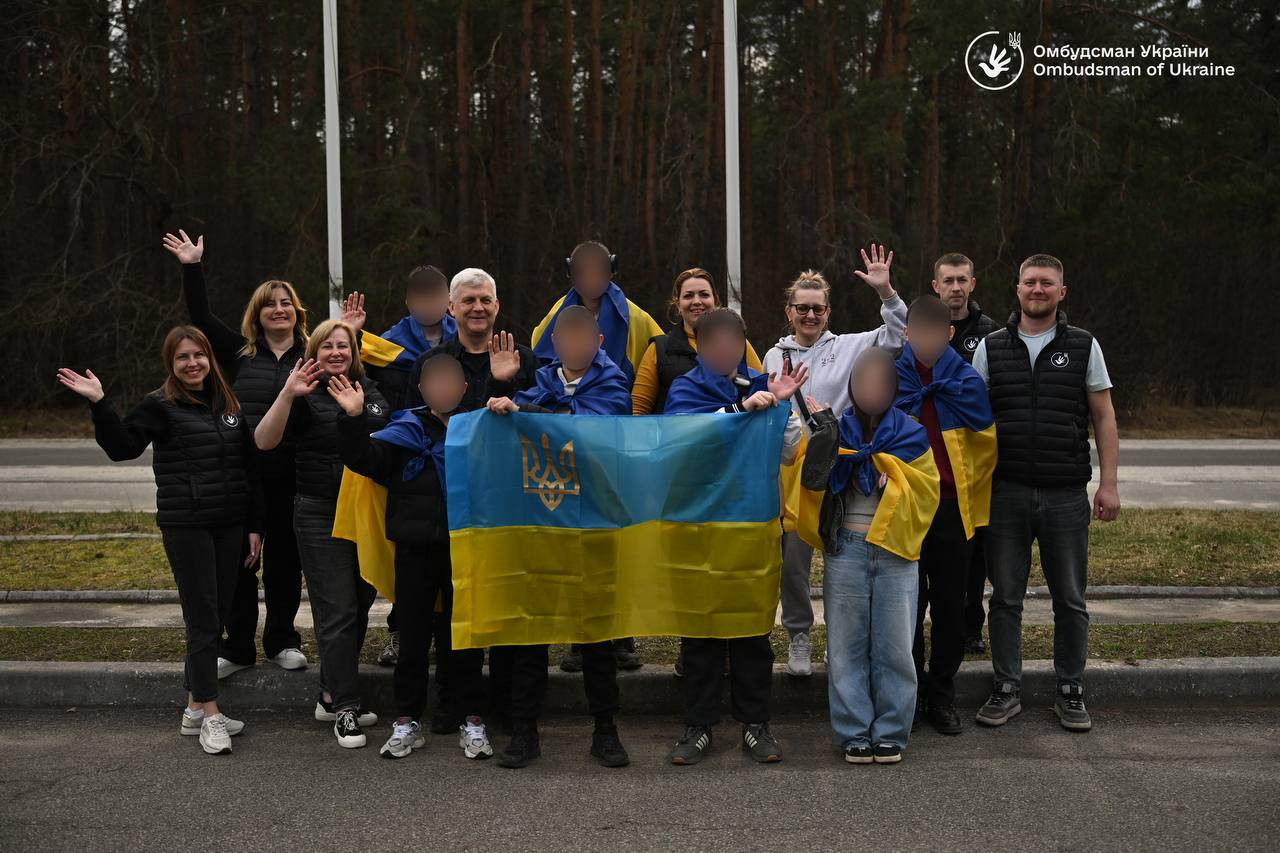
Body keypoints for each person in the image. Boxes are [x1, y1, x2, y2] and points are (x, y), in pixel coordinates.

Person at [58, 326, 263, 756]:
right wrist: (100, 404)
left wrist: (253, 527)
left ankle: (193, 707)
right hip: (186, 526)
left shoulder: (228, 404)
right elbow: (122, 448)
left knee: (219, 612)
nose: (192, 364)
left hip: (229, 525)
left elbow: (248, 469)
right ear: (171, 364)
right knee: (204, 619)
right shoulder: (160, 406)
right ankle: (210, 714)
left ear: (210, 359)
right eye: (182, 358)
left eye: (199, 356)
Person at [164, 230, 338, 678]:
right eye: (269, 304)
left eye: (285, 303)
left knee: (285, 563)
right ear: (257, 314)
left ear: (296, 310)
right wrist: (191, 266)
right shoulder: (240, 354)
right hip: (242, 474)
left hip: (295, 476)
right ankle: (237, 645)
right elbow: (199, 315)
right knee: (240, 563)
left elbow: (350, 358)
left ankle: (282, 639)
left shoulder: (313, 353)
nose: (278, 310)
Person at [970, 253, 1121, 733]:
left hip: (1065, 494)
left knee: (1070, 598)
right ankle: (1006, 687)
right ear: (1017, 289)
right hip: (1006, 492)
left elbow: (1104, 417)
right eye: (1030, 282)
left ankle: (1070, 690)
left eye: (1047, 283)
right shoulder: (991, 347)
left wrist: (1110, 484)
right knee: (1006, 597)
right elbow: (972, 421)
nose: (1038, 289)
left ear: (1062, 292)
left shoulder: (1083, 346)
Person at [486, 306, 633, 769]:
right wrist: (505, 396)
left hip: (593, 524)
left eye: (581, 338)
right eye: (564, 339)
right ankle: (525, 731)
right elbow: (517, 424)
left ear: (598, 342)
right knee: (533, 629)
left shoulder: (614, 383)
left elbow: (586, 428)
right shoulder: (542, 383)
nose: (573, 347)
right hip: (543, 523)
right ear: (556, 344)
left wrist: (528, 412)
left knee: (596, 635)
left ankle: (605, 730)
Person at [663, 308, 806, 766]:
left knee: (751, 630)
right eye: (715, 344)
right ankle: (698, 725)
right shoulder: (685, 388)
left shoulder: (766, 384)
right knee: (700, 630)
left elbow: (788, 454)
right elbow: (686, 444)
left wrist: (783, 408)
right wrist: (739, 411)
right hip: (699, 528)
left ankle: (755, 724)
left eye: (733, 343)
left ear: (743, 344)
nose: (724, 352)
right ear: (701, 348)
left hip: (753, 524)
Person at [332, 349, 492, 761]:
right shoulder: (403, 429)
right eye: (432, 382)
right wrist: (352, 419)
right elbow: (364, 461)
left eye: (449, 382)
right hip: (414, 550)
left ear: (463, 388)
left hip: (465, 550)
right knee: (414, 639)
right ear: (421, 389)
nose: (441, 389)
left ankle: (469, 719)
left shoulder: (479, 430)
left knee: (465, 638)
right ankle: (407, 720)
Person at [762, 245, 907, 678]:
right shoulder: (773, 355)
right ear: (789, 311)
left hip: (841, 467)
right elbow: (773, 408)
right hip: (793, 470)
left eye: (818, 309)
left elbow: (898, 337)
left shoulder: (848, 347)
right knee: (795, 560)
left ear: (828, 312)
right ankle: (800, 634)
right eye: (802, 309)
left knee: (847, 557)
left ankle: (845, 640)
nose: (810, 316)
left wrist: (886, 294)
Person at [800, 347, 940, 765]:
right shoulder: (834, 433)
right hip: (847, 549)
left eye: (880, 382)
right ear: (851, 386)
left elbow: (927, 491)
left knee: (896, 646)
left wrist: (894, 478)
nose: (871, 389)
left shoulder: (911, 433)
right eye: (863, 382)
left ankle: (892, 731)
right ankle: (853, 731)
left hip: (896, 552)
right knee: (846, 646)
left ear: (894, 388)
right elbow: (810, 485)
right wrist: (828, 450)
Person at [255, 319, 389, 749]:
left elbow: (379, 440)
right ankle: (345, 707)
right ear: (314, 352)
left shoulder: (370, 395)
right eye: (327, 346)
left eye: (343, 346)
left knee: (361, 603)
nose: (336, 352)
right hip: (318, 513)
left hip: (364, 514)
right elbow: (263, 441)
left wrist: (354, 412)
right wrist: (286, 394)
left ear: (354, 353)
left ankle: (330, 692)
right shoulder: (303, 395)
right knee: (337, 611)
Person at [431, 267, 540, 729]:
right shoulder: (434, 360)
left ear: (497, 307)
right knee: (455, 604)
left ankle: (504, 704)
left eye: (486, 300)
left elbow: (541, 419)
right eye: (468, 300)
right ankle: (456, 703)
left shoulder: (526, 359)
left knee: (507, 604)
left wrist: (506, 385)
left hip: (512, 504)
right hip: (452, 500)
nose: (478, 308)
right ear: (451, 308)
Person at [894, 296, 996, 735]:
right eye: (919, 334)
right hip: (908, 509)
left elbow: (986, 446)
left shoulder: (966, 381)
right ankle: (912, 694)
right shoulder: (892, 376)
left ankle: (943, 694)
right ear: (906, 334)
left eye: (936, 334)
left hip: (954, 510)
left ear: (949, 333)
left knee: (951, 606)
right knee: (909, 606)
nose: (928, 341)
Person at [363, 264, 457, 670]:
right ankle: (402, 632)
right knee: (408, 557)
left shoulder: (463, 339)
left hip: (451, 455)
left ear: (446, 300)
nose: (427, 303)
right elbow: (370, 393)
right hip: (406, 457)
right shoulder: (387, 346)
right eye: (419, 296)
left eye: (434, 295)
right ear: (408, 301)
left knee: (450, 558)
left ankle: (450, 635)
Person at [930, 252, 999, 656]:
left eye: (962, 280)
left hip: (977, 463)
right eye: (948, 280)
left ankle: (972, 627)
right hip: (936, 463)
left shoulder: (992, 333)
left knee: (975, 554)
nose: (956, 287)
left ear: (973, 285)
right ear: (935, 286)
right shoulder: (919, 328)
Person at [531, 240, 662, 384]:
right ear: (571, 272)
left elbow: (661, 354)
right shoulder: (555, 315)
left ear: (611, 270)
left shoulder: (636, 318)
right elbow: (539, 357)